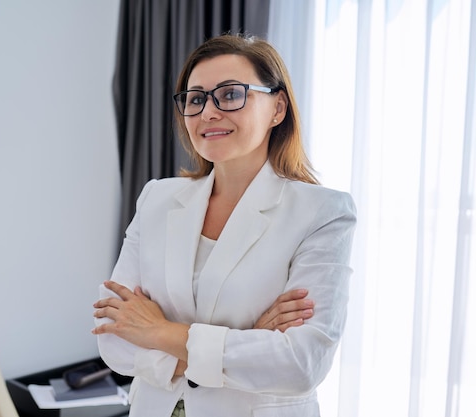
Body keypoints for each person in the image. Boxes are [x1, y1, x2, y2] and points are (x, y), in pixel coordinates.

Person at [93, 33, 356, 417]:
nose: (208, 112)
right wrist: (250, 342)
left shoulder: (322, 212)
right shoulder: (157, 199)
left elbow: (301, 364)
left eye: (230, 94)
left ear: (278, 107)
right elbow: (112, 337)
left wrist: (160, 333)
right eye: (196, 98)